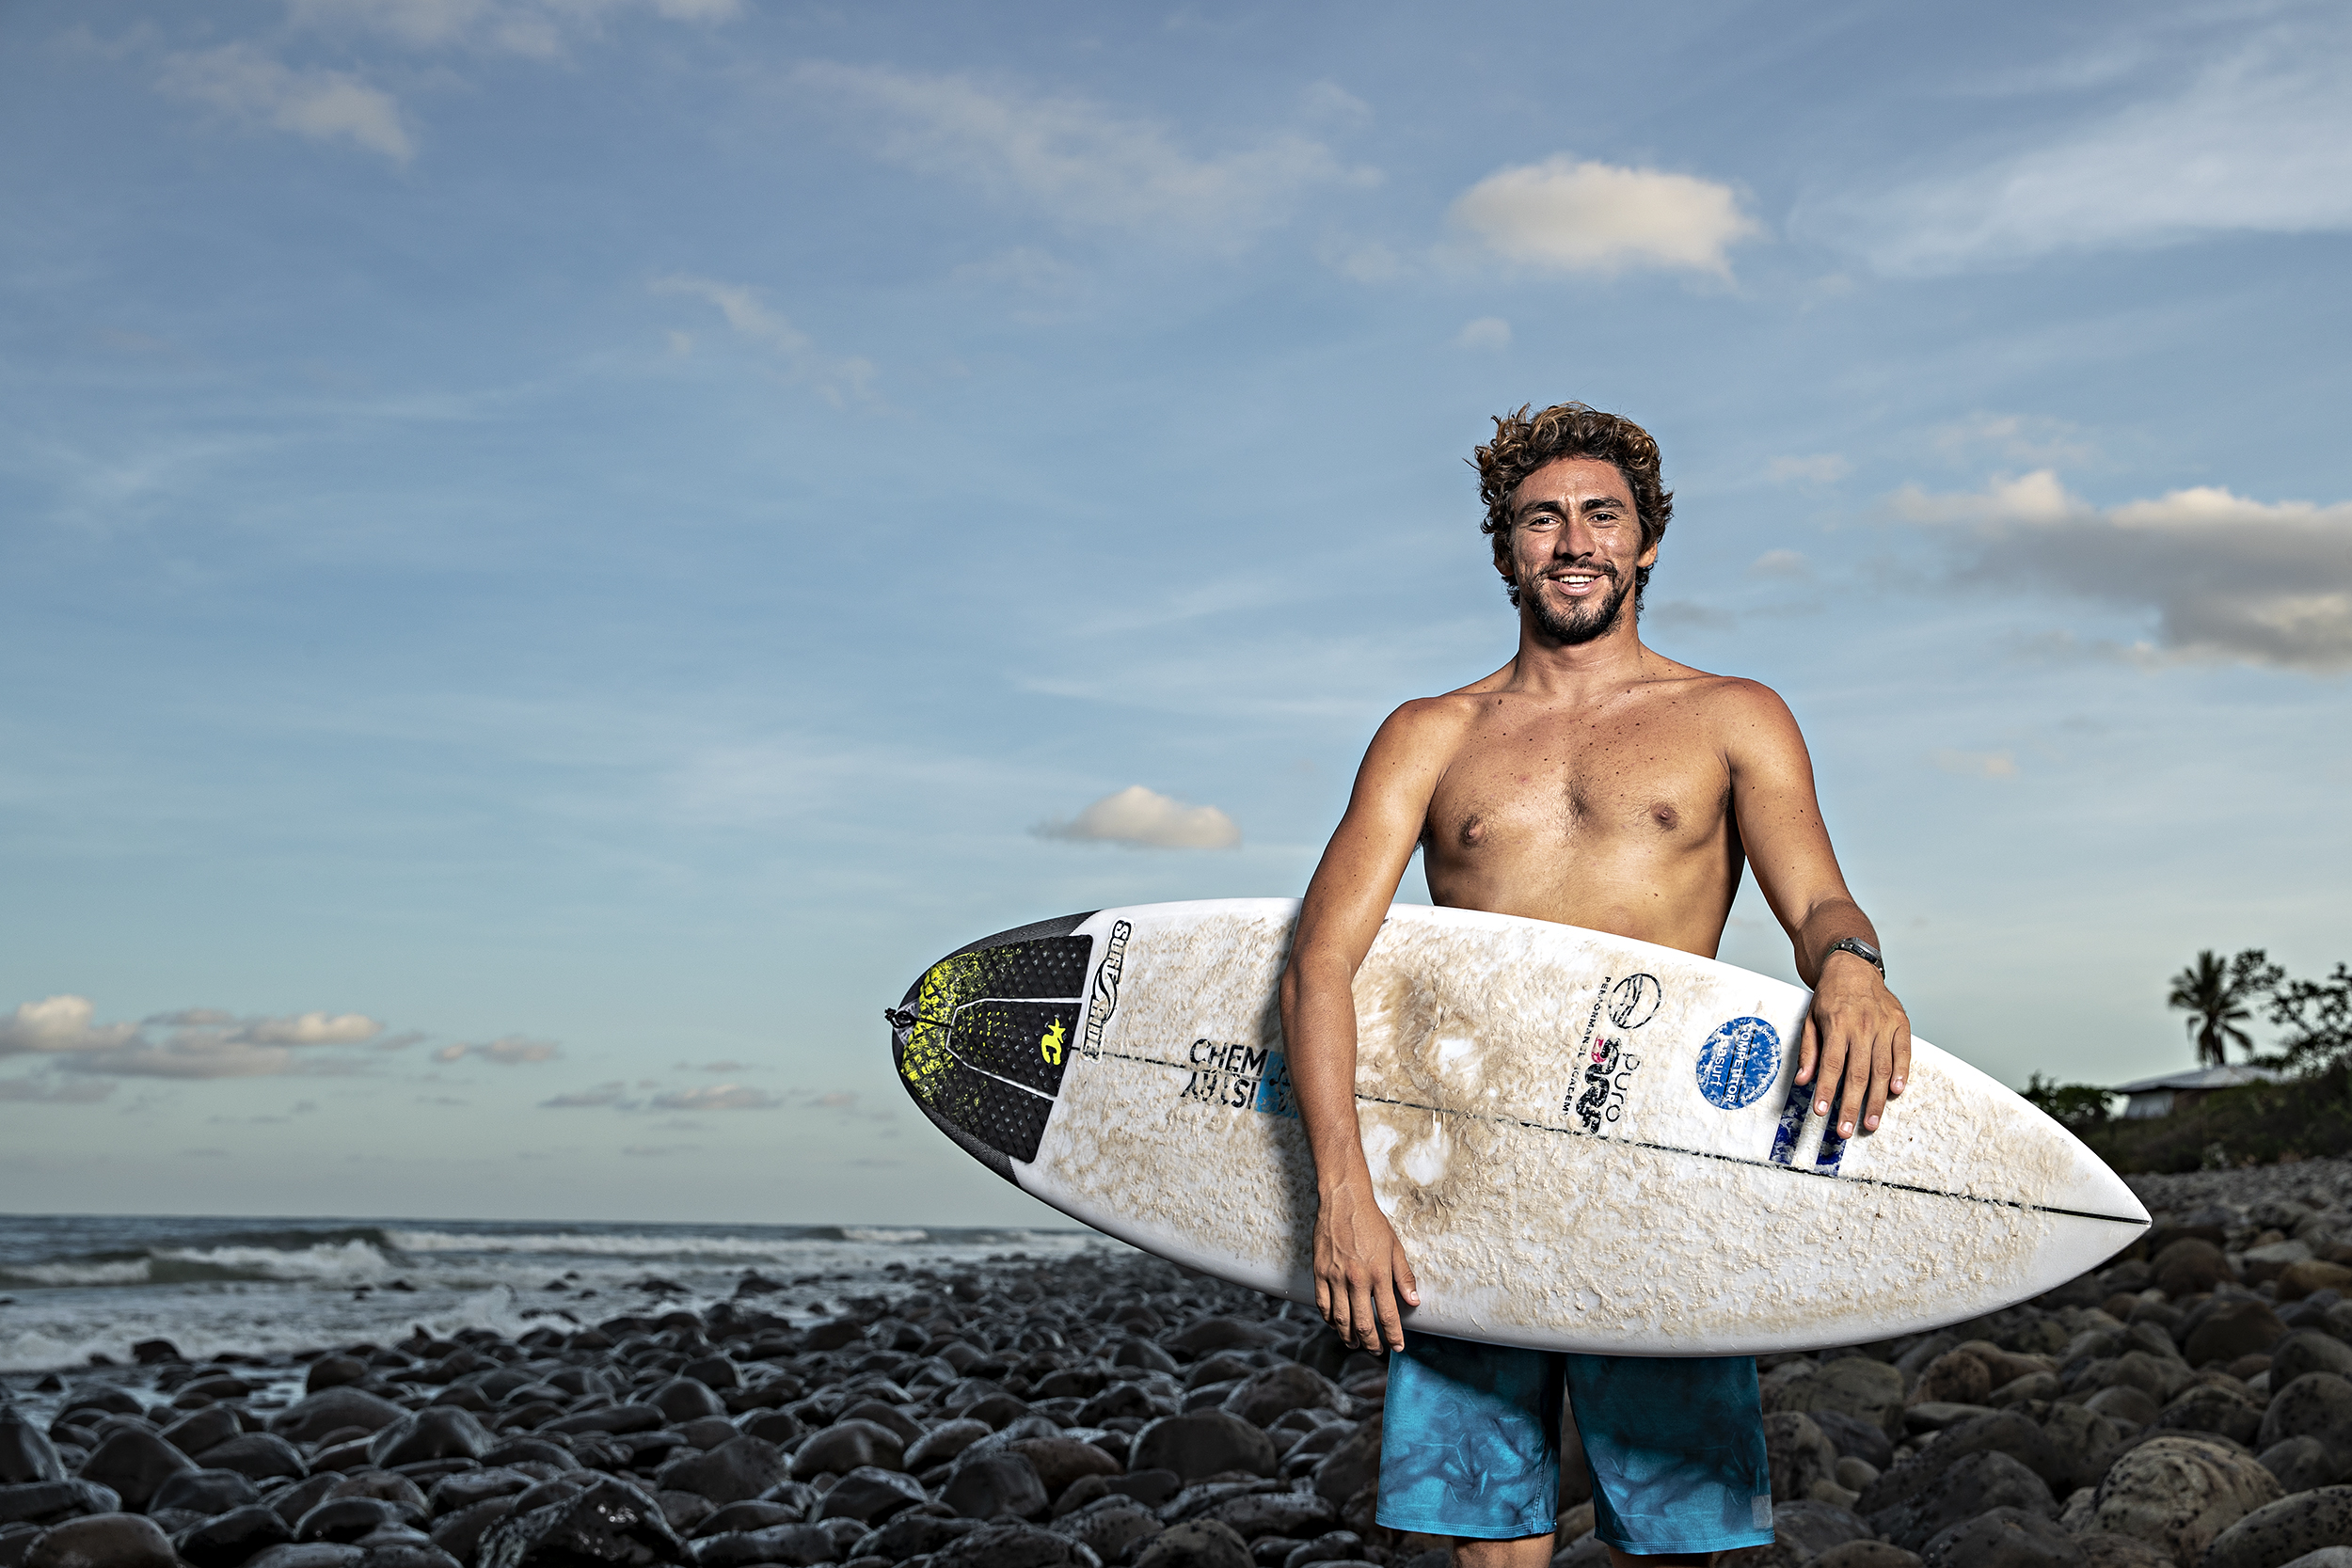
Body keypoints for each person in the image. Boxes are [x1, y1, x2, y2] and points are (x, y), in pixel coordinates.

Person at [1277, 402, 1912, 1568]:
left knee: (1685, 1540)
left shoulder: (1732, 715)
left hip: (1659, 1164)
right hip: (1467, 1164)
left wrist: (1853, 971)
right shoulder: (1427, 733)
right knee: (1487, 1541)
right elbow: (1320, 958)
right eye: (1541, 518)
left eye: (1600, 515)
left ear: (1647, 541)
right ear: (1506, 546)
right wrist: (1344, 1194)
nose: (1573, 541)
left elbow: (1818, 898)